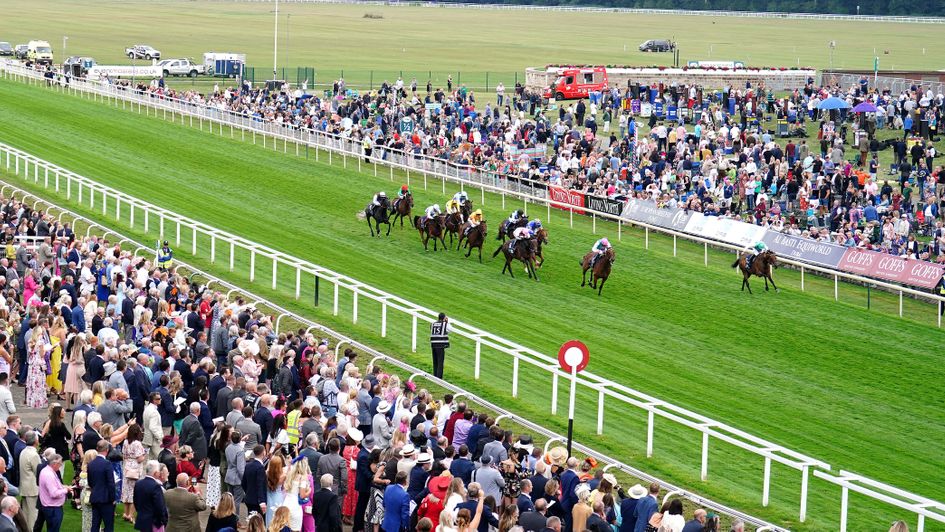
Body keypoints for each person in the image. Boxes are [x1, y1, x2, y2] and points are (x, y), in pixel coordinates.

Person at [121, 424, 147, 523]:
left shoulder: (125, 442)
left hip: (127, 467)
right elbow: (140, 459)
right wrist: (144, 454)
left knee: (126, 491)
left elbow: (124, 455)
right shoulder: (137, 444)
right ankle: (131, 515)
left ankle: (125, 513)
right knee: (135, 492)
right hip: (135, 469)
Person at [89, 440, 116, 532]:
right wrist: (113, 498)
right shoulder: (107, 464)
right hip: (106, 499)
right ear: (107, 450)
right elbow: (111, 483)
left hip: (95, 497)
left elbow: (90, 482)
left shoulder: (91, 464)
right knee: (108, 525)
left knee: (95, 524)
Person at [133, 461, 168, 532]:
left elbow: (135, 501)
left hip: (142, 520)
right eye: (158, 471)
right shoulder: (156, 486)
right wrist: (163, 520)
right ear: (155, 473)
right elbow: (160, 507)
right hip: (154, 522)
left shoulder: (138, 483)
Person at [38, 453, 69, 532]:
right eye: (60, 463)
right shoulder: (49, 475)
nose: (61, 465)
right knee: (53, 529)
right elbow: (54, 493)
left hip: (50, 507)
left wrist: (63, 487)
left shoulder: (48, 471)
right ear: (55, 464)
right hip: (53, 508)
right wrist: (66, 490)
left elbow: (54, 486)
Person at [223, 431, 245, 517]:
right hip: (237, 478)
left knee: (230, 499)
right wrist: (243, 479)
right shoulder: (240, 450)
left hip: (229, 475)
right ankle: (236, 520)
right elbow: (240, 468)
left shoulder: (228, 447)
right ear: (240, 439)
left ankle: (228, 515)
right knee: (237, 501)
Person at [242, 445, 267, 516]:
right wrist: (262, 501)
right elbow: (260, 485)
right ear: (263, 453)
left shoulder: (248, 465)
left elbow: (243, 482)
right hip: (257, 501)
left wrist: (248, 491)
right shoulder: (260, 467)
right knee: (258, 523)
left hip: (249, 498)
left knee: (251, 520)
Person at [430, 313, 449, 380]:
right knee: (440, 362)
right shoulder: (445, 324)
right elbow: (450, 329)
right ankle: (439, 378)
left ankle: (435, 376)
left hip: (433, 345)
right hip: (440, 345)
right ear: (444, 318)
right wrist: (447, 322)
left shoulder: (432, 324)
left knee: (435, 361)